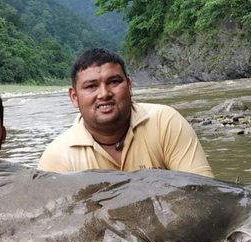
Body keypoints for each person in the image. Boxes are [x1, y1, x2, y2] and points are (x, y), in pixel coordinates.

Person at [37, 48, 214, 177]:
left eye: (114, 82)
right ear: (74, 97)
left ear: (129, 86)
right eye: (91, 86)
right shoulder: (57, 157)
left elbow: (205, 192)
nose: (104, 94)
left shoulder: (165, 122)